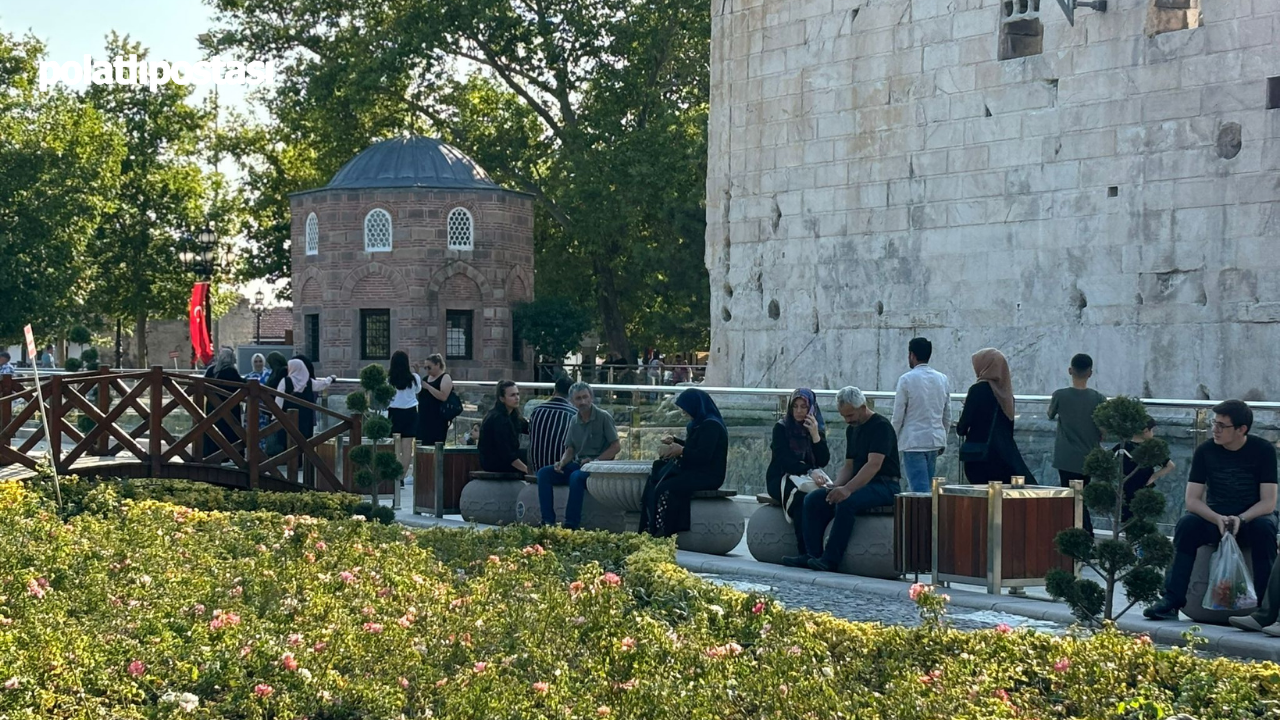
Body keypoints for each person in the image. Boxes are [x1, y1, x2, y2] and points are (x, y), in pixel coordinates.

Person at [1145, 400, 1278, 621]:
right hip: (1215, 518)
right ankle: (1171, 600)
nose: (1214, 430)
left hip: (1251, 518)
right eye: (1213, 424)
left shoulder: (1263, 450)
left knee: (1264, 528)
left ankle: (1266, 609)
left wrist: (1241, 519)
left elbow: (1268, 502)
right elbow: (1192, 500)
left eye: (1221, 426)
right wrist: (1217, 518)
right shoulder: (1205, 451)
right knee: (1187, 525)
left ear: (1241, 429)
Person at [782, 387, 901, 572]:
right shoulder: (852, 430)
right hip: (861, 482)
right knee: (814, 499)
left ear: (862, 407)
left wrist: (847, 489)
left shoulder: (881, 426)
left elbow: (874, 465)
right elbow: (849, 466)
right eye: (844, 416)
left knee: (847, 502)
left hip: (884, 484)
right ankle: (811, 554)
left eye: (851, 415)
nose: (848, 420)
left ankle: (831, 559)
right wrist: (835, 486)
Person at [638, 388, 729, 538]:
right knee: (656, 476)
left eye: (685, 410)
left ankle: (664, 529)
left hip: (708, 475)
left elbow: (703, 456)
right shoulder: (699, 424)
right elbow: (694, 447)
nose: (683, 413)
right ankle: (649, 524)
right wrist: (675, 442)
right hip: (695, 470)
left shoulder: (711, 426)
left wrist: (681, 451)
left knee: (666, 488)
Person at [538, 382, 622, 528]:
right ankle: (547, 521)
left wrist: (595, 461)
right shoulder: (574, 420)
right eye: (578, 398)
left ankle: (571, 524)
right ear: (572, 401)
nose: (582, 402)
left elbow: (616, 446)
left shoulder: (603, 417)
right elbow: (570, 448)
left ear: (591, 398)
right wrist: (561, 463)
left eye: (585, 397)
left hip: (598, 467)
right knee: (544, 473)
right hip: (578, 464)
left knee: (575, 477)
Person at [766, 388, 832, 556]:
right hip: (781, 477)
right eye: (795, 406)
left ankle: (822, 550)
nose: (799, 411)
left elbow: (823, 460)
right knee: (802, 500)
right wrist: (810, 470)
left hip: (807, 478)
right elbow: (784, 460)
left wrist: (816, 436)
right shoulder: (781, 428)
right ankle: (805, 552)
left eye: (803, 407)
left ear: (811, 409)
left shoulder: (815, 427)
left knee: (824, 498)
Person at [956, 348, 1036, 485]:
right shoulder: (1007, 396)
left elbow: (962, 428)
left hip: (979, 458)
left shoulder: (977, 390)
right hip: (1003, 459)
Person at [1049, 353, 1106, 533]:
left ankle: (1081, 534)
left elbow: (1050, 414)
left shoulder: (1059, 395)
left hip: (1065, 457)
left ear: (1070, 370)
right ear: (1090, 373)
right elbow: (1104, 428)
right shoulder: (1098, 398)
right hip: (1089, 456)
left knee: (1069, 497)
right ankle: (1083, 533)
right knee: (1082, 497)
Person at [891, 337, 951, 493]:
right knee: (929, 489)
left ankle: (923, 518)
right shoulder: (942, 379)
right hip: (934, 440)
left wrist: (891, 441)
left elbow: (898, 416)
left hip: (913, 442)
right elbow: (946, 414)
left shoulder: (906, 379)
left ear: (911, 355)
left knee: (919, 490)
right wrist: (943, 438)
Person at [1112, 418, 1176, 525]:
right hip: (1144, 485)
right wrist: (1154, 476)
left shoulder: (1122, 446)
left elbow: (1109, 459)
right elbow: (1170, 466)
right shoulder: (1151, 448)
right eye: (1152, 431)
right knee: (1143, 517)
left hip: (1125, 487)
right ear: (1146, 431)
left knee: (1127, 517)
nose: (1153, 434)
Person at [274, 358, 336, 442]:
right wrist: (330, 378)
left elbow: (279, 399)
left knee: (288, 440)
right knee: (304, 441)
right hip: (306, 418)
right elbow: (322, 384)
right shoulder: (309, 382)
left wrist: (275, 416)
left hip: (288, 417)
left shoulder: (285, 381)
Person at [528, 376, 576, 474]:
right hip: (561, 471)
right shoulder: (574, 415)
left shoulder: (537, 411)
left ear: (555, 390)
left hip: (537, 469)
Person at [478, 380, 529, 474]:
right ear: (502, 398)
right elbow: (507, 453)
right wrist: (528, 471)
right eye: (512, 395)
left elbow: (530, 429)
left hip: (504, 458)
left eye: (517, 394)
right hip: (493, 462)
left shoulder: (513, 416)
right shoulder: (498, 419)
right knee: (529, 456)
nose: (517, 398)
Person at [203, 347, 245, 459]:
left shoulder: (211, 370)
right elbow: (240, 387)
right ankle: (231, 455)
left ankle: (211, 454)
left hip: (212, 407)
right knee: (229, 431)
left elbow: (203, 385)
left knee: (213, 429)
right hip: (229, 408)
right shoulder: (231, 371)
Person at [387, 350, 421, 484]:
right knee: (407, 446)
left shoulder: (389, 379)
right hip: (411, 412)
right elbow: (418, 390)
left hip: (394, 412)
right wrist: (417, 372)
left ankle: (395, 475)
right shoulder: (414, 378)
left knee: (396, 445)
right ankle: (402, 476)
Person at [416, 354, 454, 447]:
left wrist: (428, 387)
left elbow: (443, 396)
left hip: (438, 419)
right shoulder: (426, 379)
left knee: (435, 444)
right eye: (425, 368)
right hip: (424, 419)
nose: (427, 370)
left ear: (437, 365)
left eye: (429, 367)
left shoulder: (445, 377)